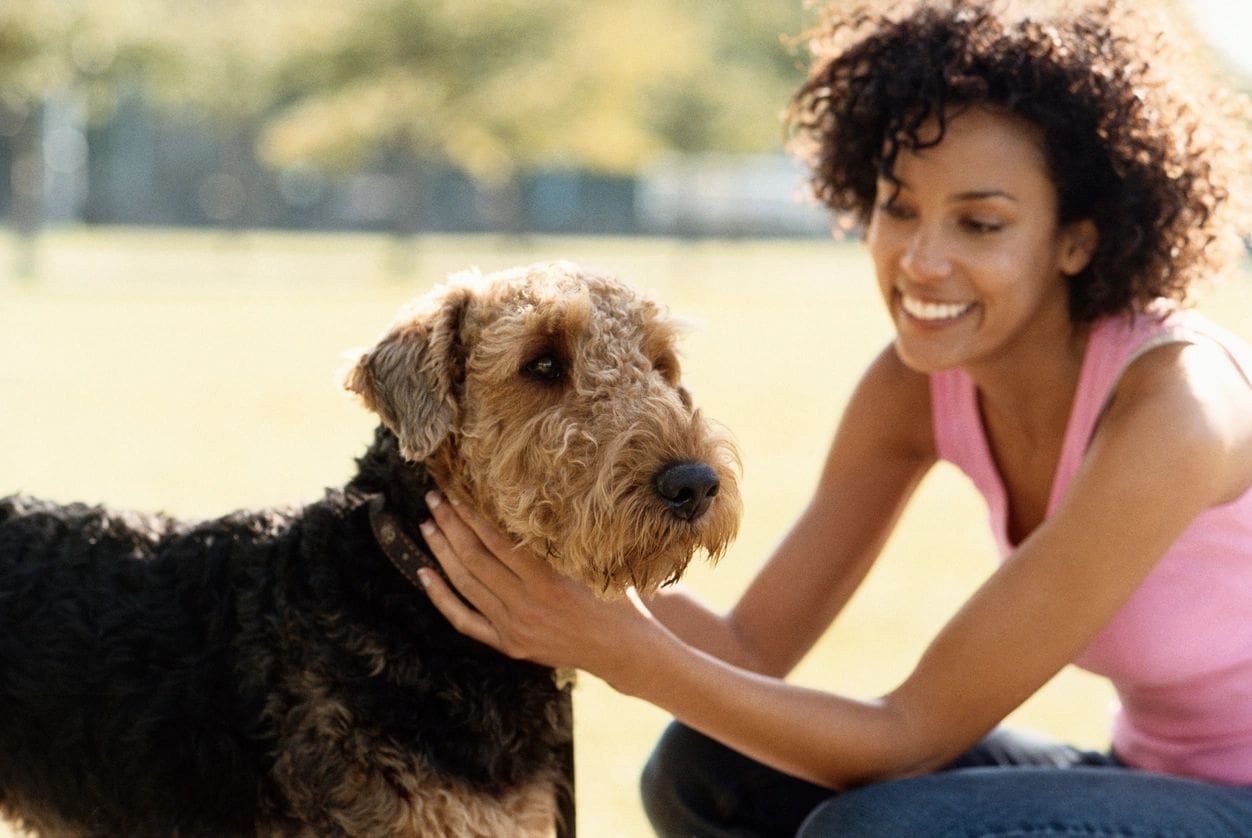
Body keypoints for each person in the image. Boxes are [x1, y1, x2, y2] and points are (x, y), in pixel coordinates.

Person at [415, 0, 1252, 834]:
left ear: (1077, 239)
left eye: (981, 222)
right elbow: (748, 653)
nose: (920, 260)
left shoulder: (1175, 403)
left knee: (878, 829)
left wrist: (613, 646)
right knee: (707, 771)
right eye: (898, 206)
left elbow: (908, 739)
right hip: (1147, 773)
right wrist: (518, 545)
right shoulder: (918, 383)